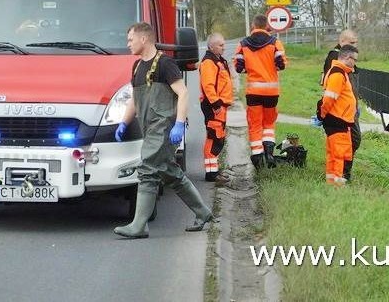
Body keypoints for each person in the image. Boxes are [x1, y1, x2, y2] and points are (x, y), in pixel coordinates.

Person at [113, 22, 213, 238]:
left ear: (144, 39)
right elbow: (134, 98)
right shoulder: (137, 66)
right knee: (171, 174)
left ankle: (139, 226)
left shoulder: (165, 63)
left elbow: (183, 92)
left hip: (164, 127)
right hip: (149, 129)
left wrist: (179, 123)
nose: (128, 44)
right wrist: (124, 122)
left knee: (147, 168)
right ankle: (203, 212)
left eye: (131, 39)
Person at [233, 14, 287, 170]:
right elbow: (281, 65)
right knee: (269, 123)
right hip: (271, 92)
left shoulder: (243, 44)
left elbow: (238, 67)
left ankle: (257, 157)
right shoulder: (275, 43)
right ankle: (269, 153)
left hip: (253, 91)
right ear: (266, 26)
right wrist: (269, 69)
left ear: (253, 26)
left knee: (255, 124)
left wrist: (251, 69)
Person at [318, 45, 359, 185]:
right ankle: (336, 185)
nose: (355, 63)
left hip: (340, 120)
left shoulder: (341, 72)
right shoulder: (338, 74)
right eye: (354, 59)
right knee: (338, 154)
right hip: (337, 120)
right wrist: (323, 115)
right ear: (347, 58)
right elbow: (329, 99)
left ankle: (332, 182)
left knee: (337, 154)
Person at [320, 30, 362, 153]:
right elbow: (332, 89)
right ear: (341, 41)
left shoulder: (349, 59)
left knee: (352, 141)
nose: (354, 45)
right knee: (353, 140)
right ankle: (343, 170)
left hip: (349, 109)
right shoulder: (335, 57)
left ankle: (344, 170)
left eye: (356, 43)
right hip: (341, 112)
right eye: (351, 42)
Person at [199, 33, 232, 185]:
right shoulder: (209, 63)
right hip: (214, 106)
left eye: (224, 45)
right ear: (211, 46)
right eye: (220, 45)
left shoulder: (217, 61)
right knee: (214, 137)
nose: (223, 48)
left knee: (218, 137)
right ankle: (211, 174)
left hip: (219, 106)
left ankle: (214, 170)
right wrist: (216, 104)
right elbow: (208, 86)